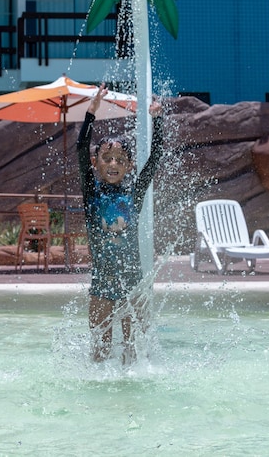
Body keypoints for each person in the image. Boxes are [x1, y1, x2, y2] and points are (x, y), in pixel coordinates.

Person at [77, 84, 164, 364]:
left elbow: (156, 157)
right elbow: (80, 148)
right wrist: (91, 112)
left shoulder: (134, 194)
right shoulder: (91, 193)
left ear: (129, 165)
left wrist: (158, 120)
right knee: (99, 352)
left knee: (132, 351)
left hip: (132, 282)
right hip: (102, 282)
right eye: (107, 158)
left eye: (120, 160)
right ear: (96, 163)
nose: (113, 164)